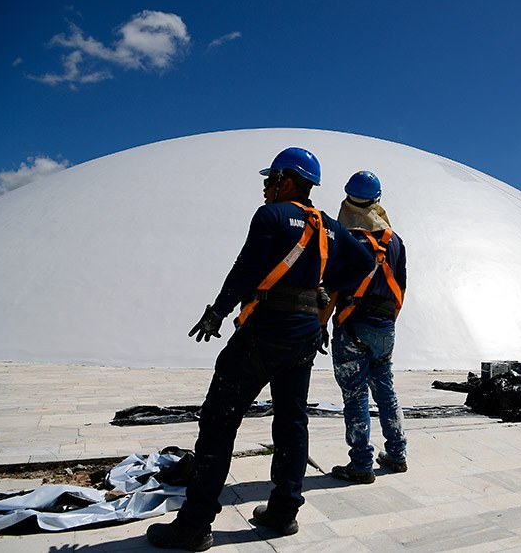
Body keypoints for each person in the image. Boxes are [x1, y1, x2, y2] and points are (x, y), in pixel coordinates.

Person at [146, 148, 375, 551]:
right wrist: (322, 288)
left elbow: (245, 268)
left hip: (262, 334)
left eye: (271, 180)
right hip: (304, 337)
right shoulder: (333, 229)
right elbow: (363, 265)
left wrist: (217, 311)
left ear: (287, 180)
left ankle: (194, 525)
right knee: (292, 423)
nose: (267, 187)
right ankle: (283, 513)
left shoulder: (270, 216)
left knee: (218, 423)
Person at [319, 170, 408, 484]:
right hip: (385, 326)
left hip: (351, 325)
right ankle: (397, 454)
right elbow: (402, 288)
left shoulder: (345, 239)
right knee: (386, 392)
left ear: (348, 199)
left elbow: (332, 289)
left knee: (355, 396)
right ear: (377, 199)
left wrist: (323, 323)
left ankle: (361, 464)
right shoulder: (394, 240)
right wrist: (386, 325)